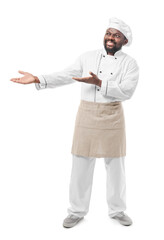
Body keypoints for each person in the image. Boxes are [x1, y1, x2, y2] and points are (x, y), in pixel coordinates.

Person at [10, 17, 139, 228]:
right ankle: (76, 211)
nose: (110, 38)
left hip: (113, 116)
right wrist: (38, 79)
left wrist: (99, 83)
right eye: (108, 33)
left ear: (124, 41)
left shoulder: (130, 64)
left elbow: (127, 91)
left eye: (116, 35)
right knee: (80, 163)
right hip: (86, 115)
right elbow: (66, 75)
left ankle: (117, 210)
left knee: (116, 165)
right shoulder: (87, 57)